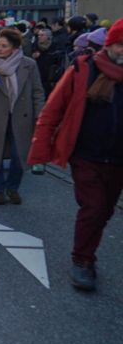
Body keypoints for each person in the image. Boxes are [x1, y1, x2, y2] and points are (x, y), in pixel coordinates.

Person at [28, 19, 123, 292]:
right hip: (86, 155)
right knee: (92, 207)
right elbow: (53, 110)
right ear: (110, 44)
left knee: (104, 210)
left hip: (118, 158)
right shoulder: (84, 69)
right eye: (120, 44)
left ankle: (87, 248)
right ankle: (82, 261)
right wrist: (40, 152)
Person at [0, 27, 45, 206]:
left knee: (18, 155)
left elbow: (37, 91)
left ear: (14, 48)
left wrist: (39, 114)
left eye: (3, 45)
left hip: (21, 117)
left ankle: (13, 187)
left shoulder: (28, 64)